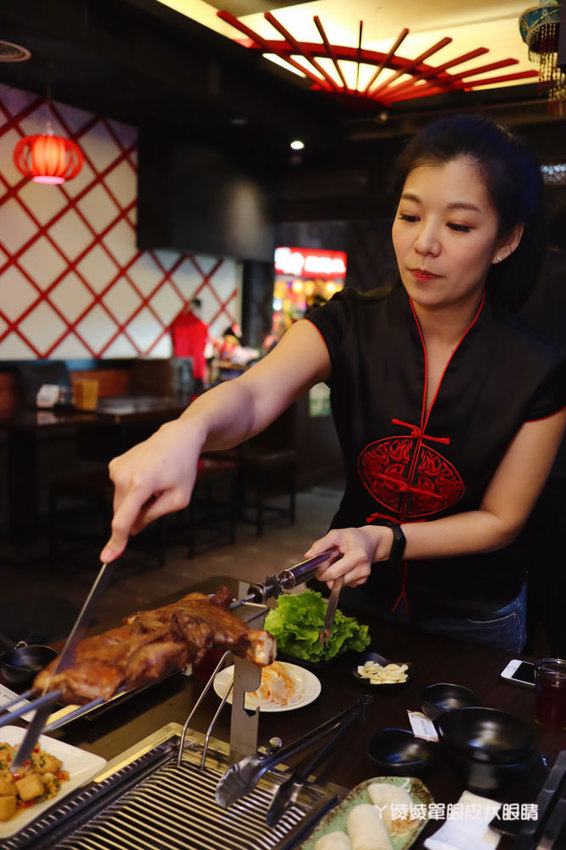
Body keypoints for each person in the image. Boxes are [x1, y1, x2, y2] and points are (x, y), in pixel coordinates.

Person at [100, 115, 566, 653]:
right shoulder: (349, 323)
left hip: (474, 617)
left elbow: (501, 520)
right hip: (350, 592)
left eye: (459, 226)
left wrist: (383, 539)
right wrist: (187, 430)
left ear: (506, 240)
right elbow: (252, 396)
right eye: (409, 216)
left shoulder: (537, 366)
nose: (424, 243)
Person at [170, 298, 209, 393]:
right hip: (195, 363)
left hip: (182, 361)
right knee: (194, 392)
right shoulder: (201, 324)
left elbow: (173, 337)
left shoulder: (179, 321)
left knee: (182, 392)